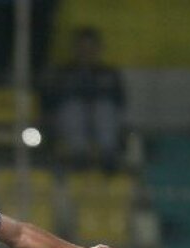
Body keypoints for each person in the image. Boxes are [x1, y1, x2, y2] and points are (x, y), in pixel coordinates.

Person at [40, 27, 126, 170]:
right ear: (75, 49)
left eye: (90, 47)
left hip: (101, 121)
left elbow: (120, 102)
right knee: (73, 108)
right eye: (82, 47)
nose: (86, 52)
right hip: (69, 124)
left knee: (104, 108)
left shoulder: (109, 73)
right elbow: (50, 101)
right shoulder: (62, 73)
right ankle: (79, 156)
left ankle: (108, 155)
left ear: (98, 49)